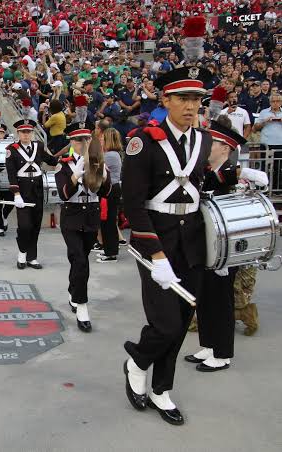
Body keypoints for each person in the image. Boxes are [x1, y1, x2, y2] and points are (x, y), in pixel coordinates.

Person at [121, 67, 213, 425]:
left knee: (183, 320)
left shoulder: (203, 141)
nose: (191, 107)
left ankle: (161, 389)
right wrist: (156, 255)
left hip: (192, 244)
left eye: (197, 99)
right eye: (184, 99)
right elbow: (131, 205)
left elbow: (199, 188)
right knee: (166, 325)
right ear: (166, 100)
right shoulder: (143, 141)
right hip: (155, 243)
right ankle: (136, 360)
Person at [184, 118, 268, 372]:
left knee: (221, 301)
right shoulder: (209, 171)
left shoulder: (227, 173)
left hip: (223, 252)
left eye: (214, 142)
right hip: (208, 248)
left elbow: (229, 175)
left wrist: (246, 172)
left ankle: (222, 353)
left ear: (226, 148)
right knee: (206, 299)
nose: (208, 145)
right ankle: (209, 345)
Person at [55, 122, 111, 332]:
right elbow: (63, 194)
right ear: (71, 142)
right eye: (78, 139)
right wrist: (75, 175)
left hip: (90, 217)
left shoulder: (98, 162)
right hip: (71, 217)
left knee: (80, 260)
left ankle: (73, 290)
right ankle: (82, 306)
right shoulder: (64, 163)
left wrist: (104, 177)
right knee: (79, 260)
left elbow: (106, 193)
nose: (83, 143)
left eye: (86, 139)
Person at [5, 119, 60, 269]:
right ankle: (22, 254)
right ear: (18, 133)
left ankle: (32, 257)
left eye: (28, 132)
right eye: (23, 132)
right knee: (25, 226)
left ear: (32, 133)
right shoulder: (12, 149)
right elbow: (11, 174)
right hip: (22, 190)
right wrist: (16, 194)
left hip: (37, 189)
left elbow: (51, 160)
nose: (26, 135)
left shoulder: (39, 146)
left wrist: (64, 160)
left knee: (35, 224)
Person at [97, 128, 124, 263]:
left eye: (102, 139)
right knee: (106, 221)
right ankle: (108, 249)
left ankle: (111, 252)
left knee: (108, 222)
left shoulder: (110, 155)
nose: (100, 141)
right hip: (110, 189)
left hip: (110, 190)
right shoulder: (112, 154)